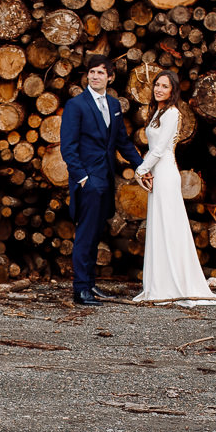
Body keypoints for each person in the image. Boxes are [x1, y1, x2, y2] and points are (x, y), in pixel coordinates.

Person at [132, 70, 216, 307]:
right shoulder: (157, 112)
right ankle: (158, 283)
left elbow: (161, 148)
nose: (159, 89)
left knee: (169, 225)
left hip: (166, 172)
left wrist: (140, 170)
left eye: (165, 86)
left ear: (173, 91)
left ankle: (172, 284)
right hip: (157, 171)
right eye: (157, 85)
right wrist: (146, 168)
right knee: (159, 225)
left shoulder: (172, 113)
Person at [58, 55, 143, 307]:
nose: (95, 76)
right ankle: (80, 289)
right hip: (88, 182)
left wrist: (142, 166)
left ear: (110, 77)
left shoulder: (114, 104)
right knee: (85, 235)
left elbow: (122, 142)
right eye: (92, 72)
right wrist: (83, 179)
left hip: (107, 179)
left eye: (100, 73)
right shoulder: (76, 105)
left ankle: (90, 285)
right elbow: (68, 148)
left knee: (96, 235)